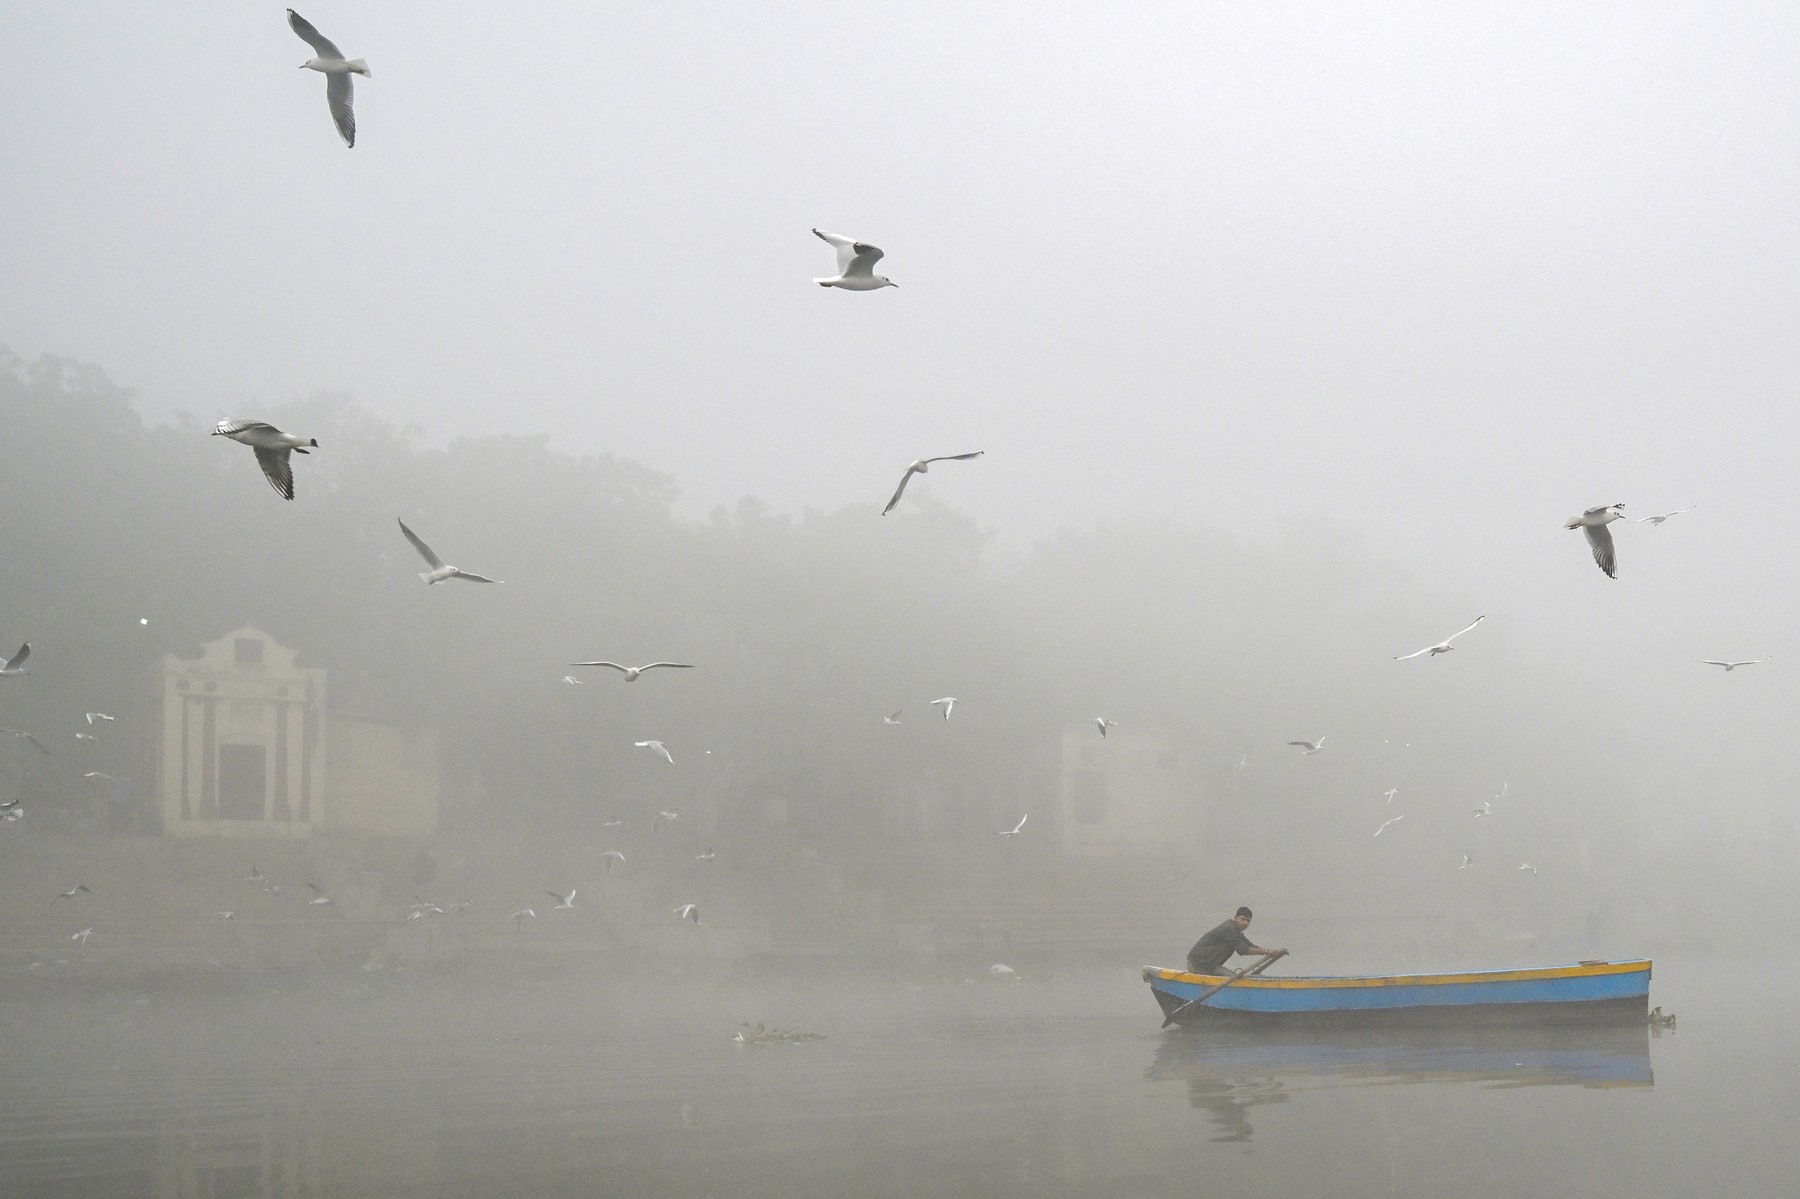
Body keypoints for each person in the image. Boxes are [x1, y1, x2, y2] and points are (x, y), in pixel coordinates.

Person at [1186, 906, 1287, 976]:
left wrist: (1276, 952)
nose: (1245, 923)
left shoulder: (1237, 932)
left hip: (1210, 965)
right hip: (1198, 965)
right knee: (1236, 980)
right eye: (1243, 919)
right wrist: (1267, 951)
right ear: (1235, 918)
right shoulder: (1229, 928)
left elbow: (1251, 946)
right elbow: (1243, 950)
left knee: (1237, 975)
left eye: (1248, 921)